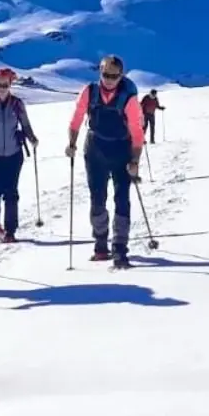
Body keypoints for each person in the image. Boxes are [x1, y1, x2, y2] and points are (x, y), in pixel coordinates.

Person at [65, 54, 146, 268]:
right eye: (105, 75)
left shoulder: (128, 97)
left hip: (122, 150)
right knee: (97, 199)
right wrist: (71, 143)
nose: (109, 80)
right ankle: (101, 244)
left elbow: (136, 131)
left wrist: (135, 160)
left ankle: (119, 248)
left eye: (114, 76)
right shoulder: (89, 92)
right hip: (95, 150)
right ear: (100, 72)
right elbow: (76, 119)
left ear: (121, 75)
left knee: (122, 198)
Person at [0, 66, 38, 242]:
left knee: (11, 193)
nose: (2, 88)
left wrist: (32, 138)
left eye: (5, 85)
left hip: (14, 155)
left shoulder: (17, 104)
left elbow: (25, 124)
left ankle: (10, 230)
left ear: (10, 84)